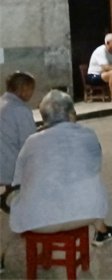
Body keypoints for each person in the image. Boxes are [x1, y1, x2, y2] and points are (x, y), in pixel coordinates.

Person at [9, 90, 112, 246]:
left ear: (44, 118)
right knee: (88, 182)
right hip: (87, 213)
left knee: (21, 193)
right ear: (71, 115)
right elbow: (95, 165)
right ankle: (101, 230)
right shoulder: (88, 134)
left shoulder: (31, 142)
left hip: (38, 222)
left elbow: (18, 179)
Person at [0, 72, 36, 271]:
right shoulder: (20, 110)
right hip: (9, 167)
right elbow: (29, 144)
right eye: (30, 89)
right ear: (22, 89)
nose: (32, 94)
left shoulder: (2, 103)